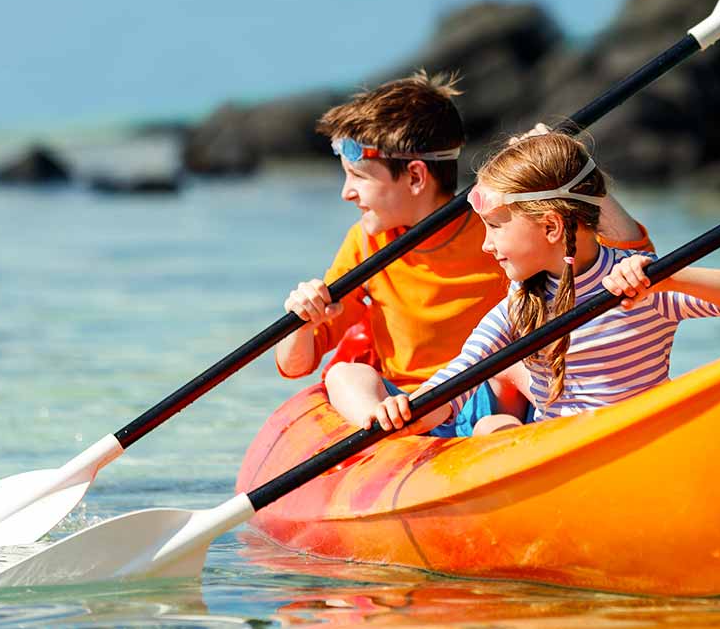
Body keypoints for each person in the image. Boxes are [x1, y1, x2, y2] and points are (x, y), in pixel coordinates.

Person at [275, 72, 651, 437]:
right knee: (344, 374)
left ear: (417, 177)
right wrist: (304, 321)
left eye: (359, 176)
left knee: (513, 367)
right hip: (406, 403)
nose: (347, 193)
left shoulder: (497, 229)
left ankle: (503, 441)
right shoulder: (366, 243)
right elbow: (297, 365)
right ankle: (381, 434)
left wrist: (570, 173)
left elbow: (629, 256)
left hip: (490, 396)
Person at [369, 130, 720, 437]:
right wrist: (407, 408)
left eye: (493, 227)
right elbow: (459, 377)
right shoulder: (519, 304)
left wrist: (667, 276)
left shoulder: (642, 281)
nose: (487, 245)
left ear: (550, 226)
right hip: (560, 451)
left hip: (640, 440)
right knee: (490, 429)